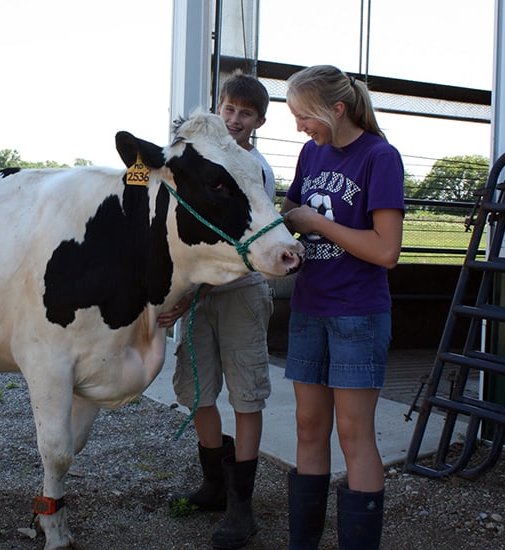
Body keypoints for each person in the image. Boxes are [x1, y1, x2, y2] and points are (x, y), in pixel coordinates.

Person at [280, 65, 404, 550]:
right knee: (308, 425)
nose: (298, 128)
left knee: (354, 434)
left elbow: (385, 251)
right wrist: (287, 224)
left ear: (337, 109)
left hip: (358, 312)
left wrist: (315, 221)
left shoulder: (380, 157)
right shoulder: (311, 153)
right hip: (310, 307)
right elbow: (291, 208)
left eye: (303, 116)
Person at [157, 72, 276, 550]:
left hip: (241, 293)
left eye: (245, 113)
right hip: (200, 295)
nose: (234, 119)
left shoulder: (252, 168)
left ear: (259, 122)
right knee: (198, 390)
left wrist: (186, 296)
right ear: (218, 109)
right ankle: (213, 482)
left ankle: (242, 505)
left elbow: (239, 245)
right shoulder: (205, 161)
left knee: (246, 395)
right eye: (228, 109)